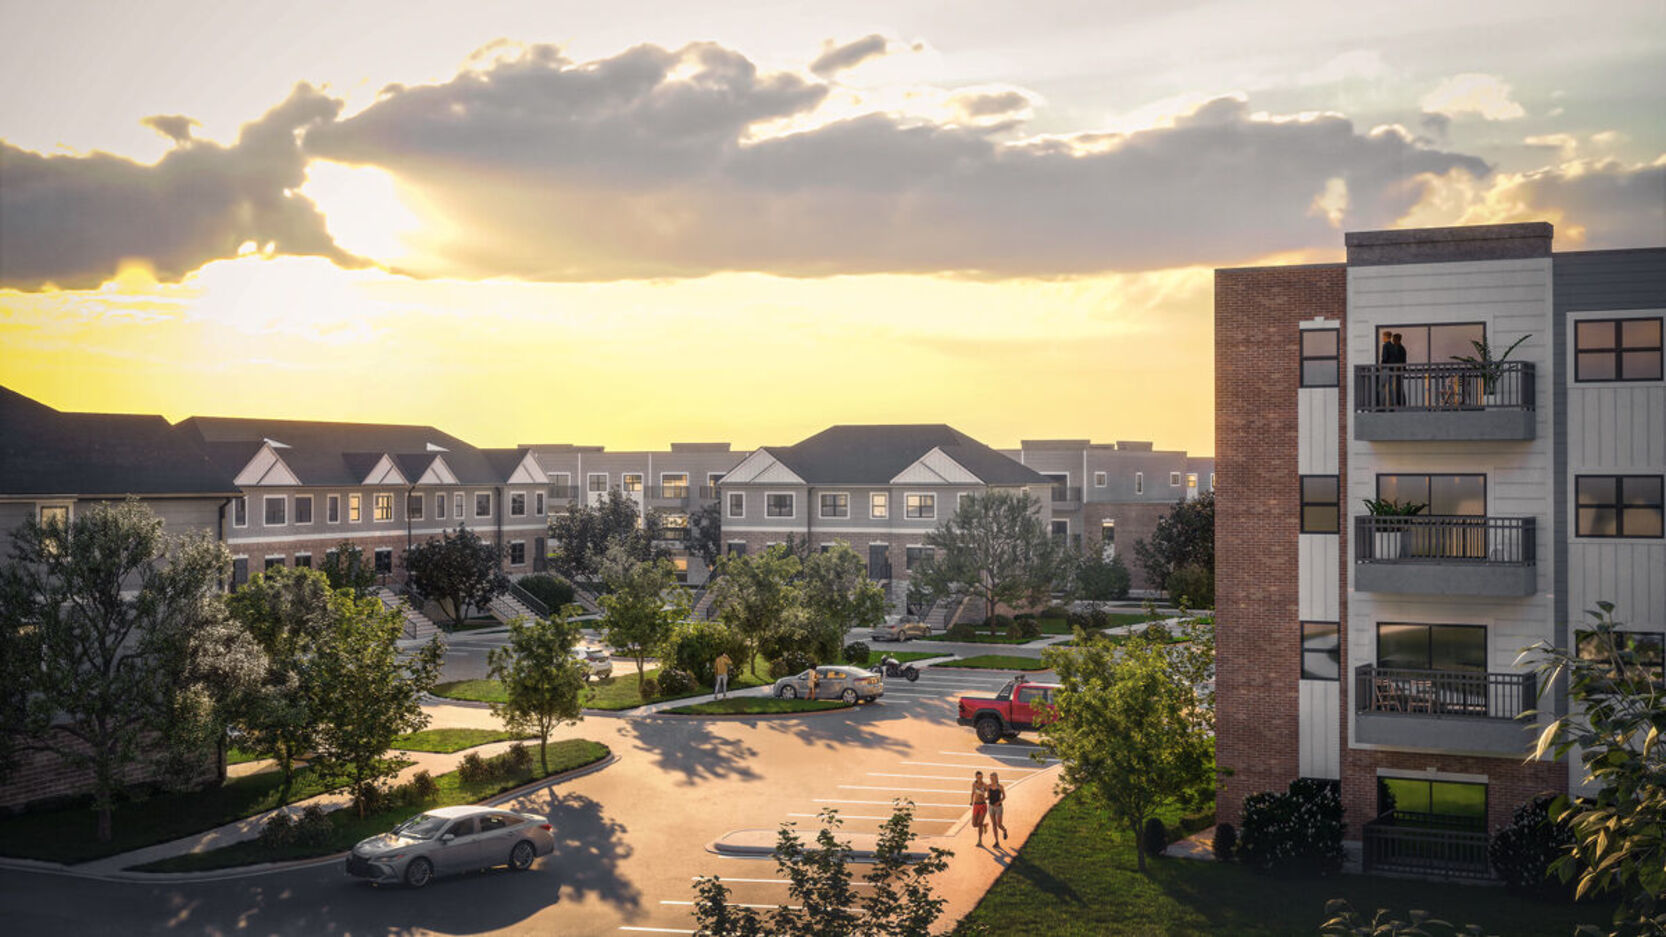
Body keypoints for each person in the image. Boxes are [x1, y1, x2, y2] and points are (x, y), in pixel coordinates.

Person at [986, 772, 1009, 845]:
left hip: (999, 807)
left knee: (999, 824)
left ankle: (1004, 830)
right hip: (991, 807)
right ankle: (996, 841)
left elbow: (1004, 797)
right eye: (990, 778)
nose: (991, 779)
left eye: (993, 778)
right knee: (994, 824)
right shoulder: (988, 786)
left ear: (996, 778)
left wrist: (999, 802)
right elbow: (988, 796)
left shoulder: (1000, 787)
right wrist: (984, 798)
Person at [970, 771, 989, 847]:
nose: (980, 779)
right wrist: (971, 801)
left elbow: (990, 795)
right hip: (976, 805)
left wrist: (986, 798)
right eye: (978, 777)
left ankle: (980, 840)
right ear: (976, 777)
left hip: (983, 805)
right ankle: (984, 826)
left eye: (981, 777)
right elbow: (972, 793)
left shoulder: (985, 785)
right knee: (974, 824)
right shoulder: (974, 784)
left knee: (980, 822)